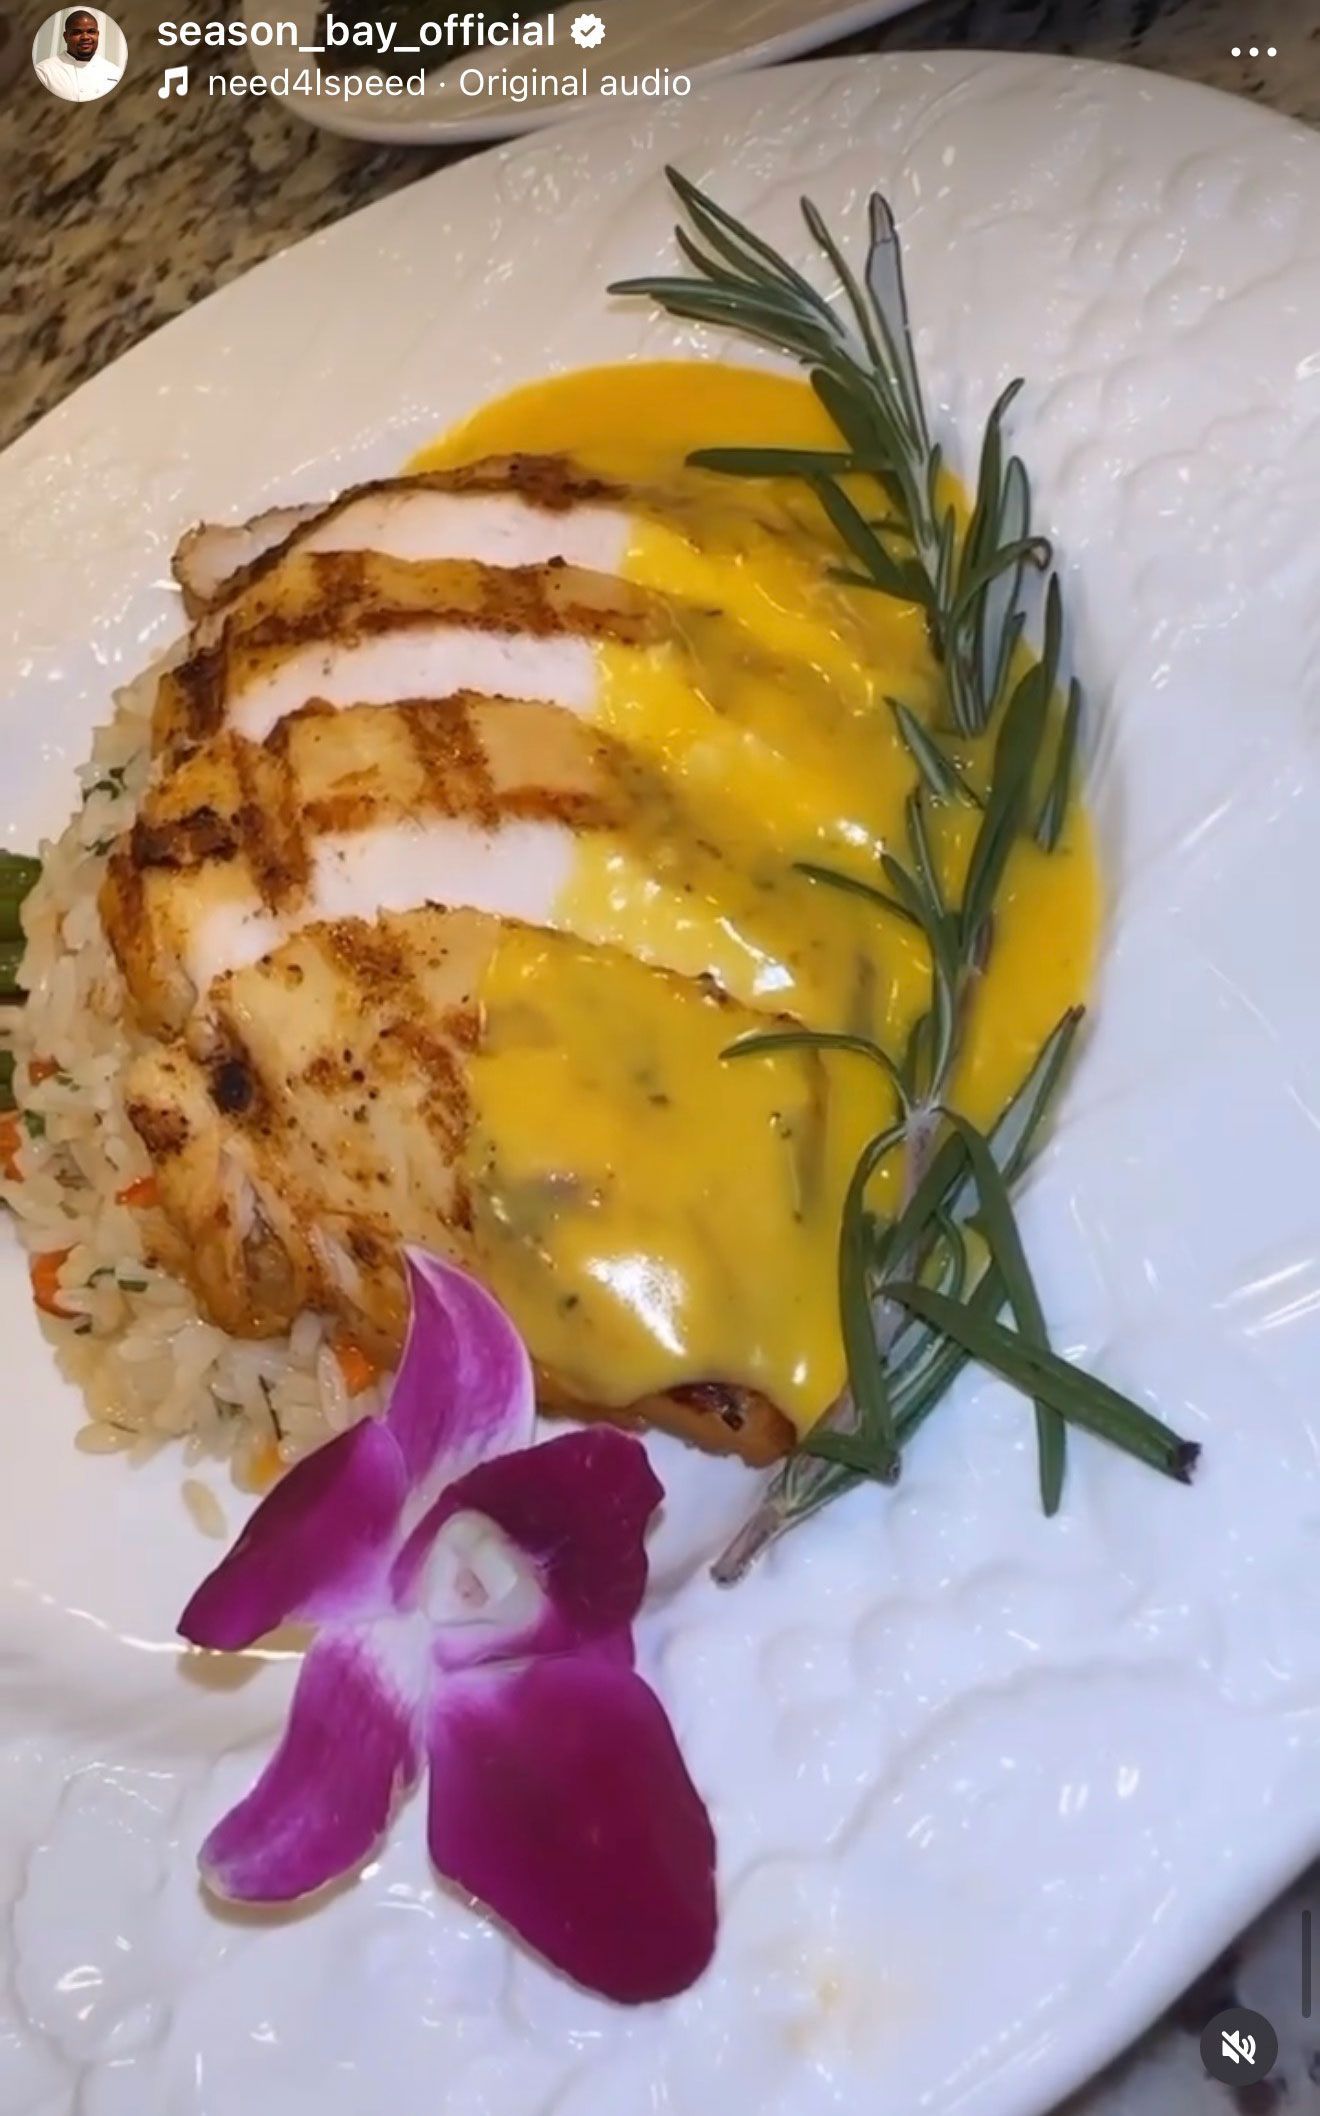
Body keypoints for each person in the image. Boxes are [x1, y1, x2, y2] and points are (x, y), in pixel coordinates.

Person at [35, 9, 123, 101]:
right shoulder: (44, 72)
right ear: (66, 37)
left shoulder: (115, 72)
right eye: (77, 32)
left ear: (97, 34)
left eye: (91, 31)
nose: (85, 37)